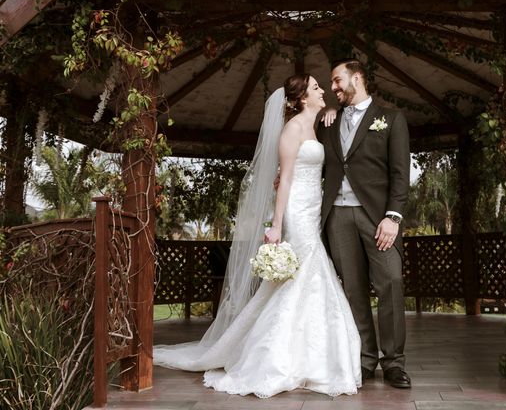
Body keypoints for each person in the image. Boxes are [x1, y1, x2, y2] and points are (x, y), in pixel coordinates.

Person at [153, 74, 361, 398]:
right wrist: (277, 225)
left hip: (314, 208)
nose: (323, 91)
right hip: (296, 211)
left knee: (305, 277)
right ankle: (281, 359)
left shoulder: (316, 124)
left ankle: (310, 356)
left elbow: (328, 146)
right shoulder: (291, 130)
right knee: (306, 274)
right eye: (317, 88)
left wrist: (331, 115)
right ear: (303, 98)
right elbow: (286, 180)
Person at [317, 58, 412, 388]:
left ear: (357, 78)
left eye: (337, 81)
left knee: (391, 283)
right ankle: (365, 359)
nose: (333, 88)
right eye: (330, 84)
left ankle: (394, 362)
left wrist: (392, 217)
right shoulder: (327, 122)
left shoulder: (391, 119)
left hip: (377, 217)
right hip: (337, 216)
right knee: (353, 290)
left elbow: (401, 174)